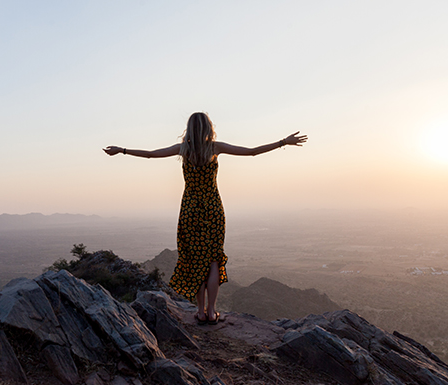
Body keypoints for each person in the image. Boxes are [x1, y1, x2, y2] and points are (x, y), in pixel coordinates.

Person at [103, 112, 307, 324]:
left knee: (195, 260)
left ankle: (200, 312)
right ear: (209, 127)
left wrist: (122, 151)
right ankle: (212, 312)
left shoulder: (183, 149)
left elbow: (150, 155)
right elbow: (253, 152)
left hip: (190, 210)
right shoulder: (215, 148)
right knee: (212, 260)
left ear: (189, 128)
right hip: (213, 210)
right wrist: (284, 142)